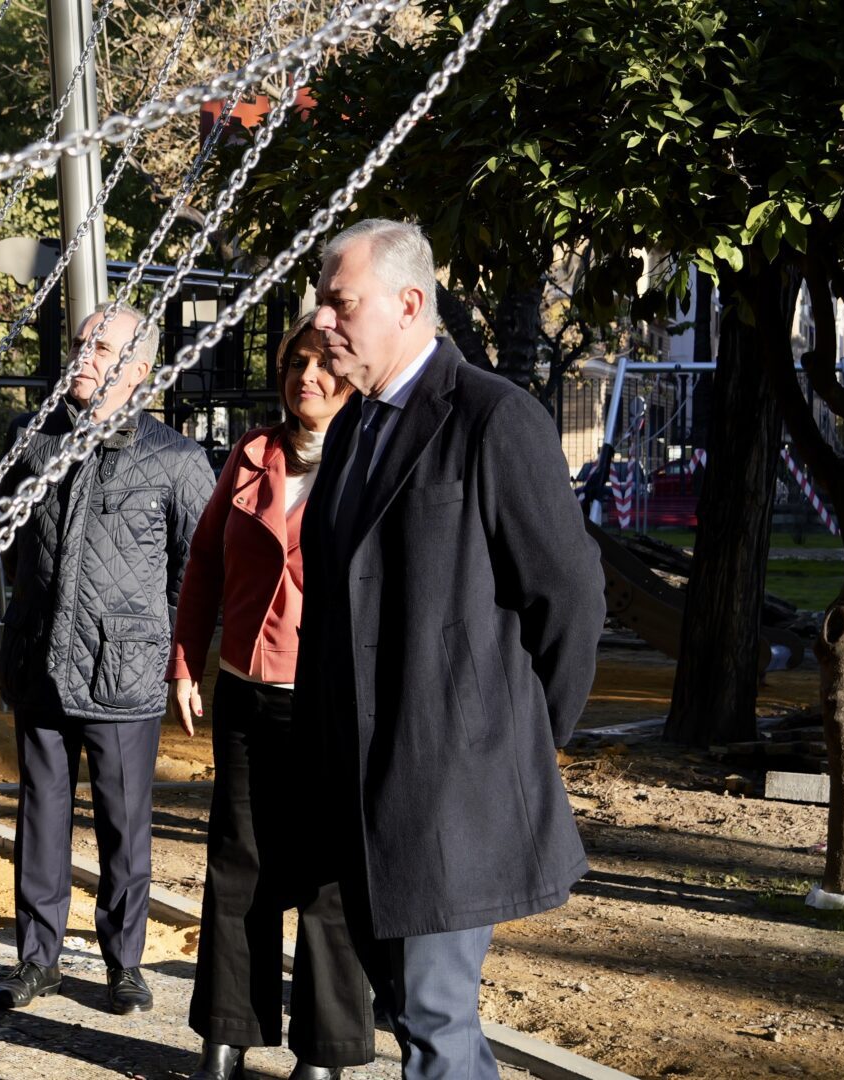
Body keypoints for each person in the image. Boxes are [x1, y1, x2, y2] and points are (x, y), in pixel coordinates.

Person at [295, 220, 606, 1079]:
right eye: (321, 301)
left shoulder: (494, 417)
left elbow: (569, 596)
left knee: (433, 1021)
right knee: (414, 1016)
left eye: (340, 302)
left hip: (451, 794)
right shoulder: (353, 428)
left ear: (408, 304)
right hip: (359, 790)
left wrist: (519, 737)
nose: (321, 320)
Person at [0, 301, 214, 1015]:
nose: (83, 355)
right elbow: (10, 546)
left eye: (102, 347)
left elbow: (199, 570)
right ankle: (37, 960)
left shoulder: (177, 460)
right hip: (40, 664)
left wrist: (170, 651)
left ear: (139, 369)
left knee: (124, 827)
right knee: (40, 818)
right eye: (81, 343)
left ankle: (125, 964)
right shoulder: (31, 439)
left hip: (123, 673)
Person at [167, 315, 373, 1080]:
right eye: (295, 363)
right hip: (246, 695)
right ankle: (227, 1035)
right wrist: (185, 662)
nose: (306, 376)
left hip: (330, 702)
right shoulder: (251, 454)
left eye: (323, 364)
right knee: (237, 864)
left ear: (351, 377)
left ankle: (323, 1052)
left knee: (326, 877)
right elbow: (203, 563)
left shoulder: (368, 460)